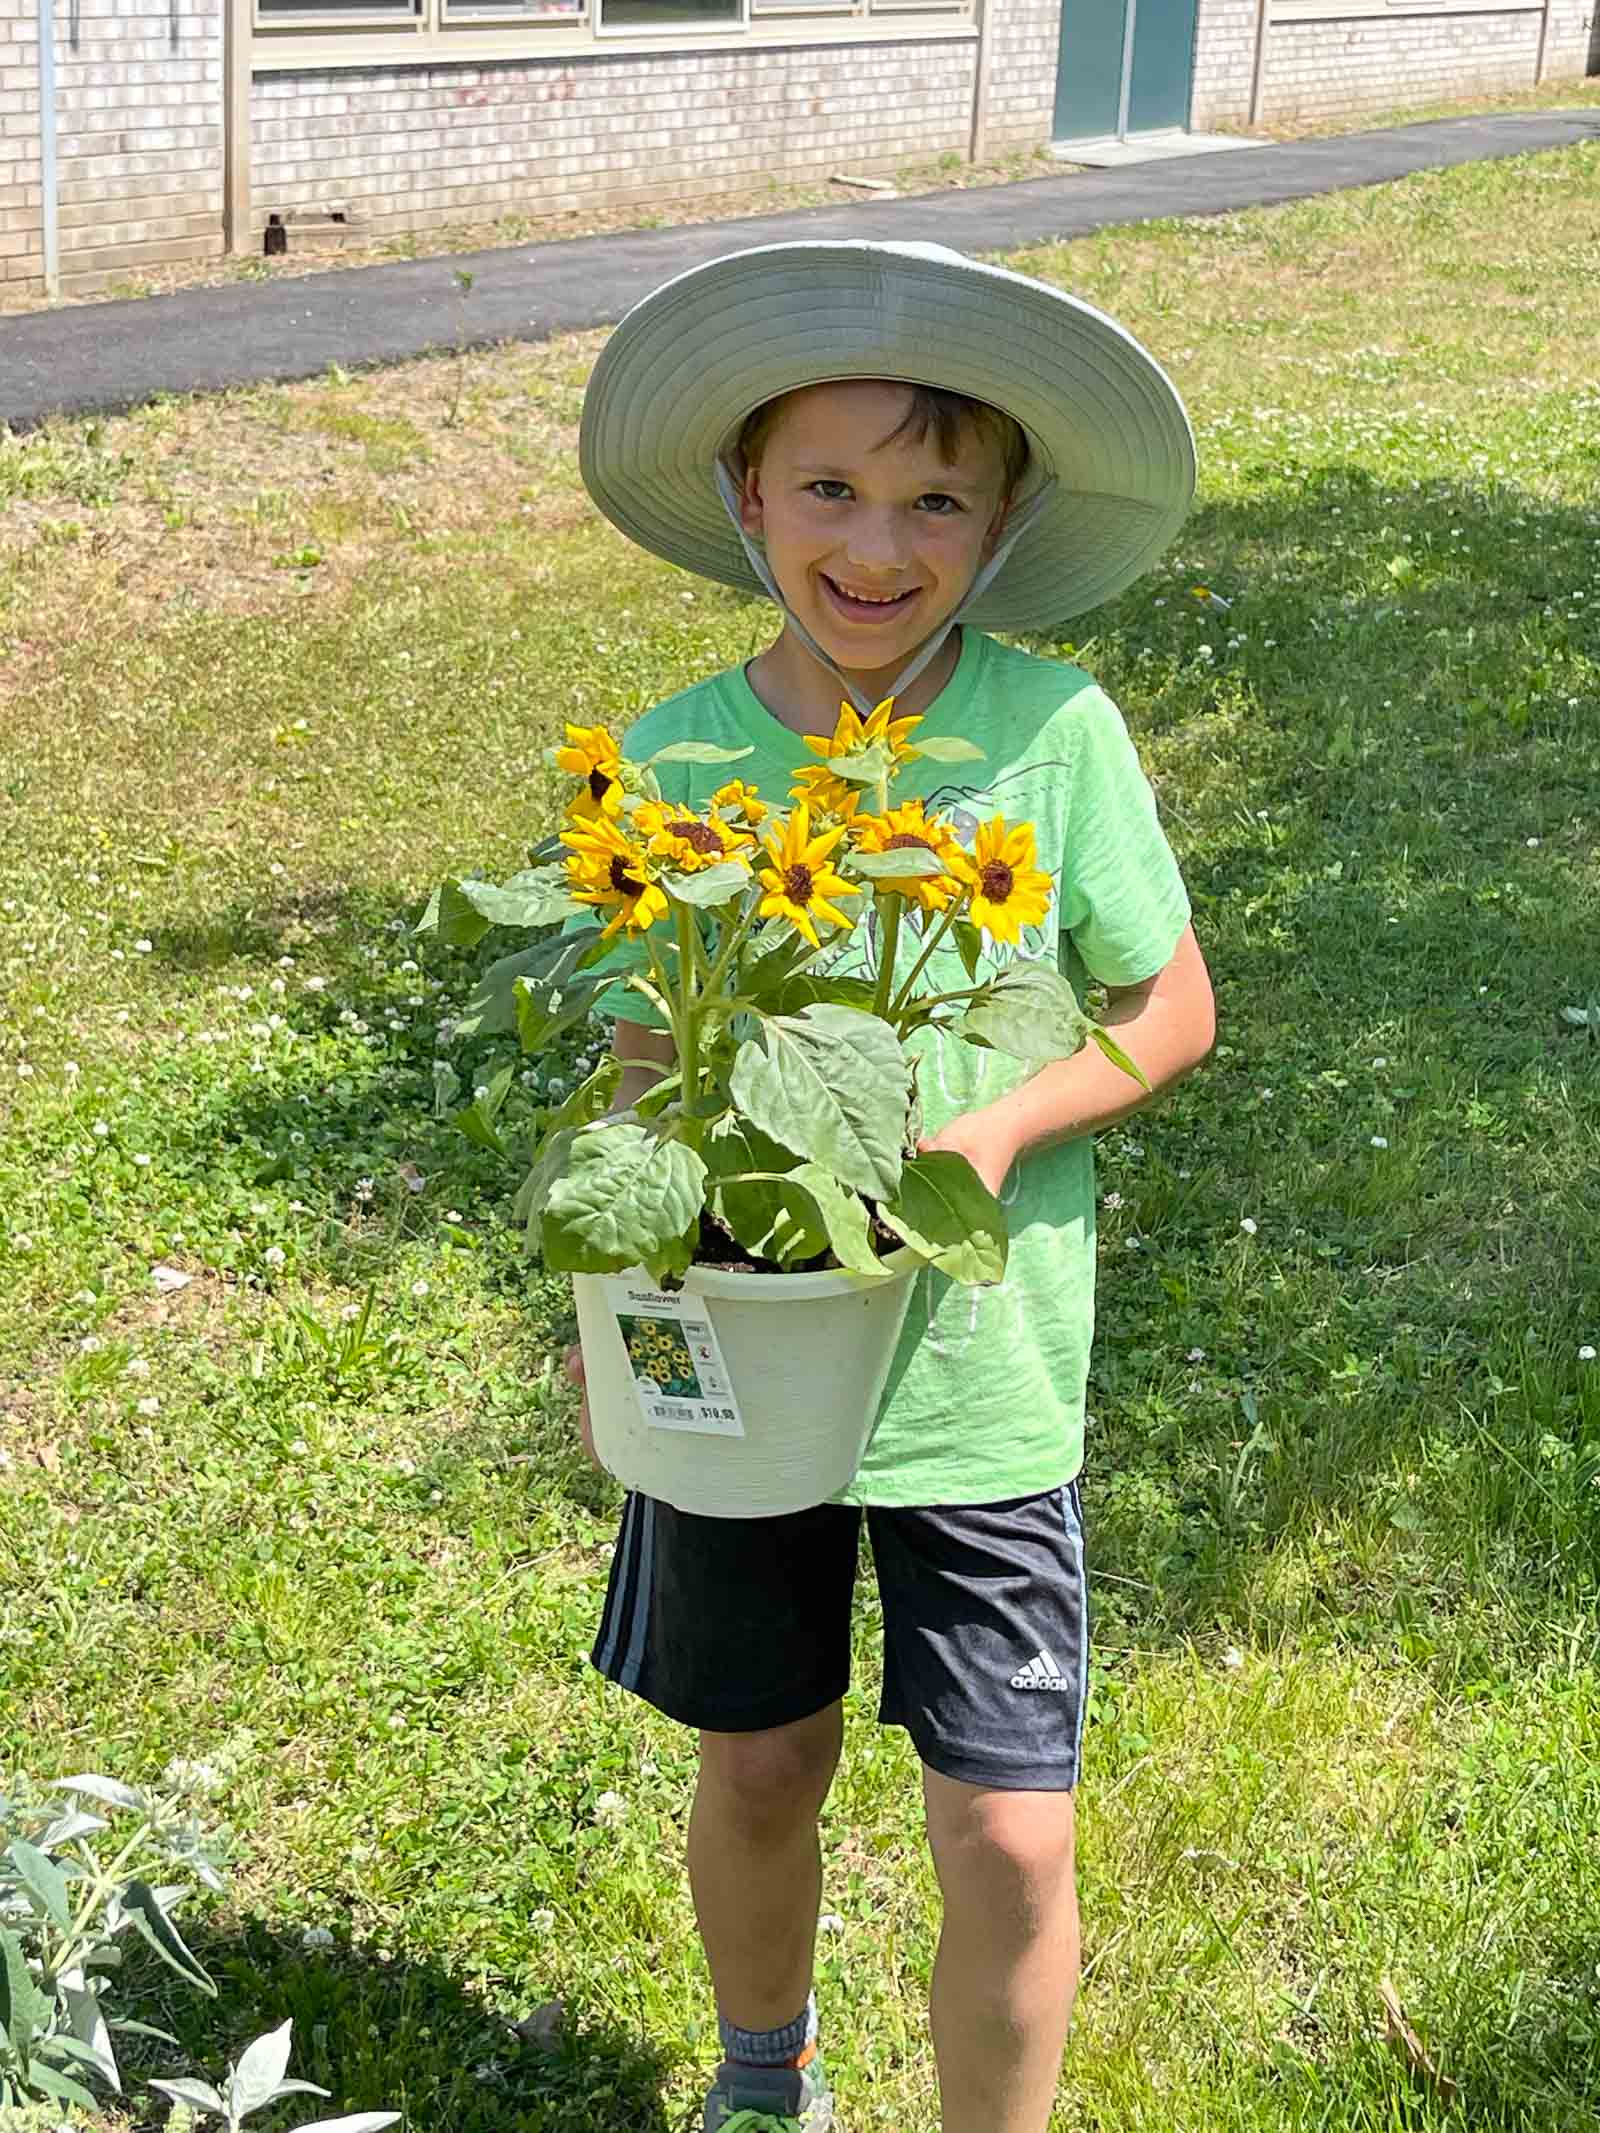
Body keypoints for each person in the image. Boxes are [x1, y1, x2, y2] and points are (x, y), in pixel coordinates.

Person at [565, 240, 1217, 2133]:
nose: (877, 540)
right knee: (760, 1759)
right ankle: (764, 2081)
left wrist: (997, 1131)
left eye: (936, 494)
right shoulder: (679, 756)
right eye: (829, 486)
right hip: (746, 1352)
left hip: (974, 1371)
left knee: (1010, 1826)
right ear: (744, 495)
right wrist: (632, 1263)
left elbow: (1167, 1002)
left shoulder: (1049, 734)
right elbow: (639, 1056)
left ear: (1003, 519)